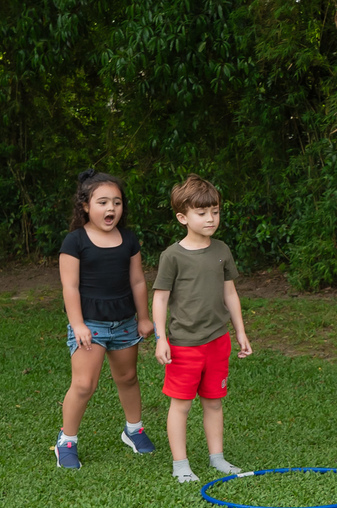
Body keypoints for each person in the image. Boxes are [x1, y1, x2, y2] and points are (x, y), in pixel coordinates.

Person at [53, 170, 156, 469]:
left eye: (117, 202)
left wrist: (144, 317)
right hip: (90, 325)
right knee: (84, 384)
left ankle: (133, 430)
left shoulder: (129, 239)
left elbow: (137, 281)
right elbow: (70, 287)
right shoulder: (75, 241)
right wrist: (78, 324)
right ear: (85, 206)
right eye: (103, 202)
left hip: (124, 322)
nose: (111, 208)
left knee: (128, 377)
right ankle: (66, 441)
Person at [152, 174, 252, 483]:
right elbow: (160, 299)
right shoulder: (172, 256)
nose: (211, 218)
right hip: (184, 345)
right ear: (182, 217)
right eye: (202, 212)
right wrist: (160, 338)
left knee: (214, 402)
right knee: (181, 405)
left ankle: (217, 457)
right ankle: (180, 464)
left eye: (215, 211)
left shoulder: (221, 249)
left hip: (217, 342)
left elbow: (230, 294)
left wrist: (240, 332)